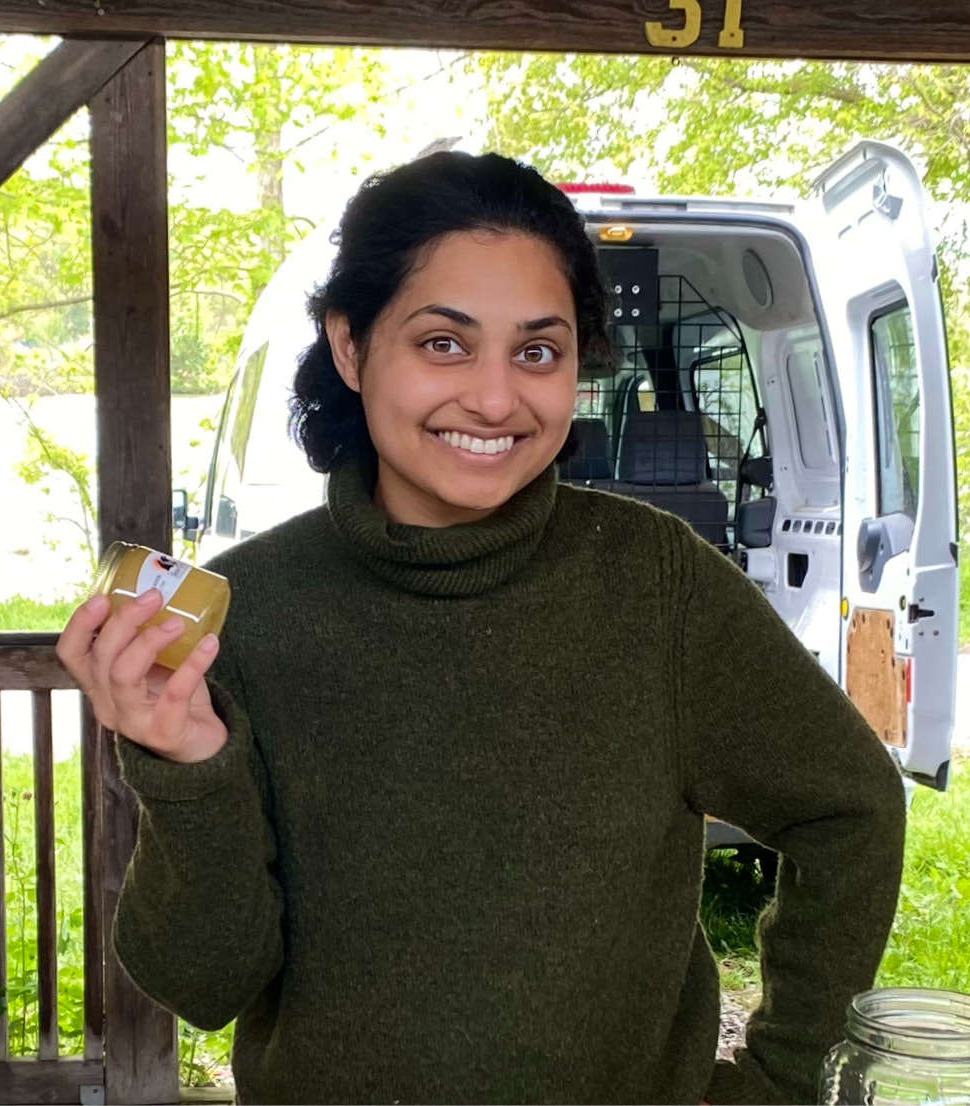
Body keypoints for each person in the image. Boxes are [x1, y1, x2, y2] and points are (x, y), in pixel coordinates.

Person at [55, 151, 905, 1105]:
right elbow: (200, 983)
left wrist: (783, 1083)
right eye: (443, 344)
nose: (496, 400)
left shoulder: (655, 584)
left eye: (536, 351)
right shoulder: (245, 613)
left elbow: (851, 812)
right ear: (349, 344)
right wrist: (185, 765)